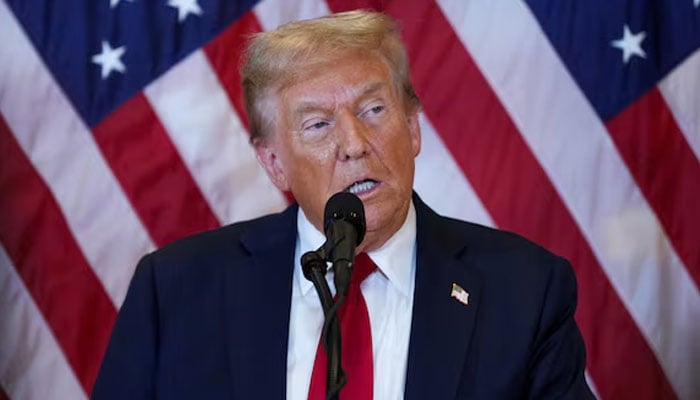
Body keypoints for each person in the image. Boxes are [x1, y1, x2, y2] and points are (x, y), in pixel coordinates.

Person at [92, 10, 594, 400]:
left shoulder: (526, 291)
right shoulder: (176, 292)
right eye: (318, 125)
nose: (355, 144)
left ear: (413, 127)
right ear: (273, 164)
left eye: (374, 110)